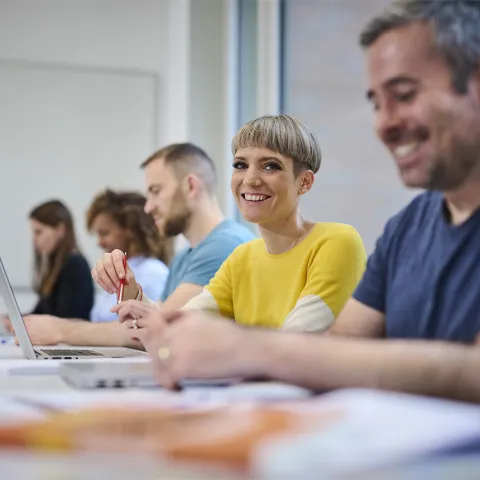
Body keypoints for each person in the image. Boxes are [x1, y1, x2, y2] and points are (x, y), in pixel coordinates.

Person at [133, 0, 480, 402]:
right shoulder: (407, 227)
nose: (384, 124)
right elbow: (341, 346)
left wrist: (248, 349)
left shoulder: (339, 240)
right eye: (377, 103)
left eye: (404, 95)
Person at [123, 115, 366, 332]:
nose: (250, 179)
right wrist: (131, 289)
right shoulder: (242, 258)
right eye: (240, 165)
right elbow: (176, 327)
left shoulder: (336, 241)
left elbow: (295, 342)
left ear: (304, 182)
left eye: (270, 166)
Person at [20, 143, 254, 346]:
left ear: (191, 187)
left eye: (156, 191)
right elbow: (154, 317)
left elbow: (160, 329)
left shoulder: (224, 247)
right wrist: (131, 290)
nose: (148, 207)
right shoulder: (185, 256)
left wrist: (61, 330)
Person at [22, 189, 172, 330]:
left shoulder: (153, 273)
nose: (99, 243)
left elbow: (145, 329)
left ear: (130, 231)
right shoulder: (116, 272)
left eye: (105, 233)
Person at [29, 200, 94, 319]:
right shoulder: (56, 267)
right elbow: (38, 312)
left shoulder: (75, 266)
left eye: (38, 232)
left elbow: (66, 320)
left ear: (60, 230)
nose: (34, 240)